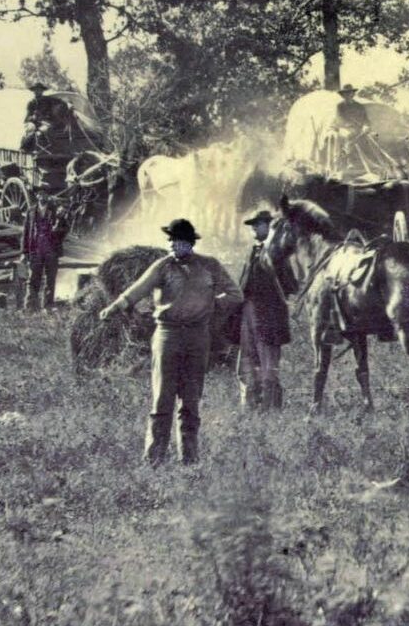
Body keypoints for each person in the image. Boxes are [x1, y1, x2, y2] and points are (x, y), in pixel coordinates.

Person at [99, 218, 240, 464]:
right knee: (162, 398)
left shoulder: (209, 266)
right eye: (172, 241)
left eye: (180, 241)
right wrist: (113, 308)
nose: (175, 245)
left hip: (198, 337)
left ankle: (190, 459)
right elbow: (137, 290)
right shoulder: (163, 267)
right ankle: (154, 459)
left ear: (190, 243)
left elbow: (235, 294)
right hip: (167, 335)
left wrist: (212, 305)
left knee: (191, 399)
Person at [236, 208, 298, 410]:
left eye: (259, 223)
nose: (254, 227)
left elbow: (290, 285)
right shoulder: (251, 251)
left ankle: (270, 409)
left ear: (269, 227)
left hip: (269, 313)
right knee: (246, 359)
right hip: (248, 311)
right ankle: (249, 406)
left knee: (268, 362)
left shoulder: (279, 254)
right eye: (252, 224)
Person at [20, 194, 66, 312]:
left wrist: (59, 227)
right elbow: (25, 233)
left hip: (51, 250)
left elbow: (65, 229)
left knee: (50, 279)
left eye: (45, 193)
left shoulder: (56, 211)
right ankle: (31, 307)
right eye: (40, 193)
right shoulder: (31, 211)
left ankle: (48, 306)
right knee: (33, 279)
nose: (42, 196)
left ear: (48, 196)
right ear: (37, 196)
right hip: (35, 250)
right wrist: (24, 252)